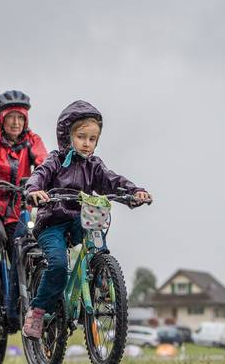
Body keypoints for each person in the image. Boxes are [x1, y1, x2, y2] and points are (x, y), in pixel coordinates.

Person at [22, 100, 152, 339]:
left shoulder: (94, 165)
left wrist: (134, 192)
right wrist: (34, 191)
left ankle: (99, 274)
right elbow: (38, 176)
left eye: (92, 139)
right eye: (81, 136)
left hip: (80, 219)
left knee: (98, 231)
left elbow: (113, 181)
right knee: (59, 265)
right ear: (67, 136)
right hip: (52, 222)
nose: (87, 143)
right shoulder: (56, 161)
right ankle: (37, 311)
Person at [0, 90, 48, 324]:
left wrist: (46, 186)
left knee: (27, 248)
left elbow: (44, 164)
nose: (16, 122)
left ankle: (20, 300)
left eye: (20, 117)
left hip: (17, 206)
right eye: (11, 117)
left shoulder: (32, 140)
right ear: (2, 118)